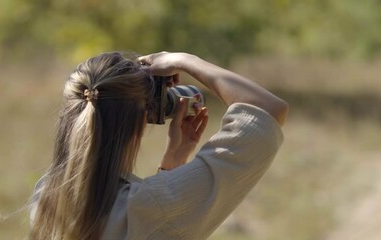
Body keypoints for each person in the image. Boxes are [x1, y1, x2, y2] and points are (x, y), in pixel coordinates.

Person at [29, 51, 288, 240]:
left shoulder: (47, 196)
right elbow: (266, 109)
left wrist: (172, 163)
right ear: (142, 120)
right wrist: (186, 61)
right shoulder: (149, 207)